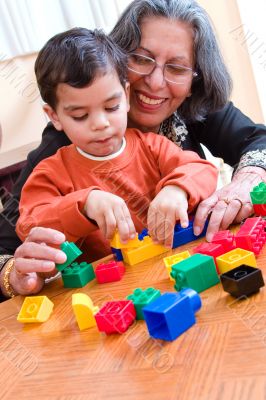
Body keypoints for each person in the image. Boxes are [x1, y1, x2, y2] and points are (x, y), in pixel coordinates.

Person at [1, 0, 265, 299]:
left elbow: (237, 151)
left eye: (177, 67)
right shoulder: (59, 153)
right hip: (114, 291)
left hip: (188, 270)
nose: (155, 82)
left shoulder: (167, 129)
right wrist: (14, 272)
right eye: (141, 59)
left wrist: (241, 181)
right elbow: (22, 229)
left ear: (194, 79)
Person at [13, 27, 216, 286]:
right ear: (54, 117)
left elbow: (201, 170)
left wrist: (177, 189)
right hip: (109, 289)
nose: (100, 123)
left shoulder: (152, 146)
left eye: (111, 107)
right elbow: (30, 224)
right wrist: (83, 204)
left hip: (174, 269)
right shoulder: (50, 173)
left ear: (127, 96)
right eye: (80, 116)